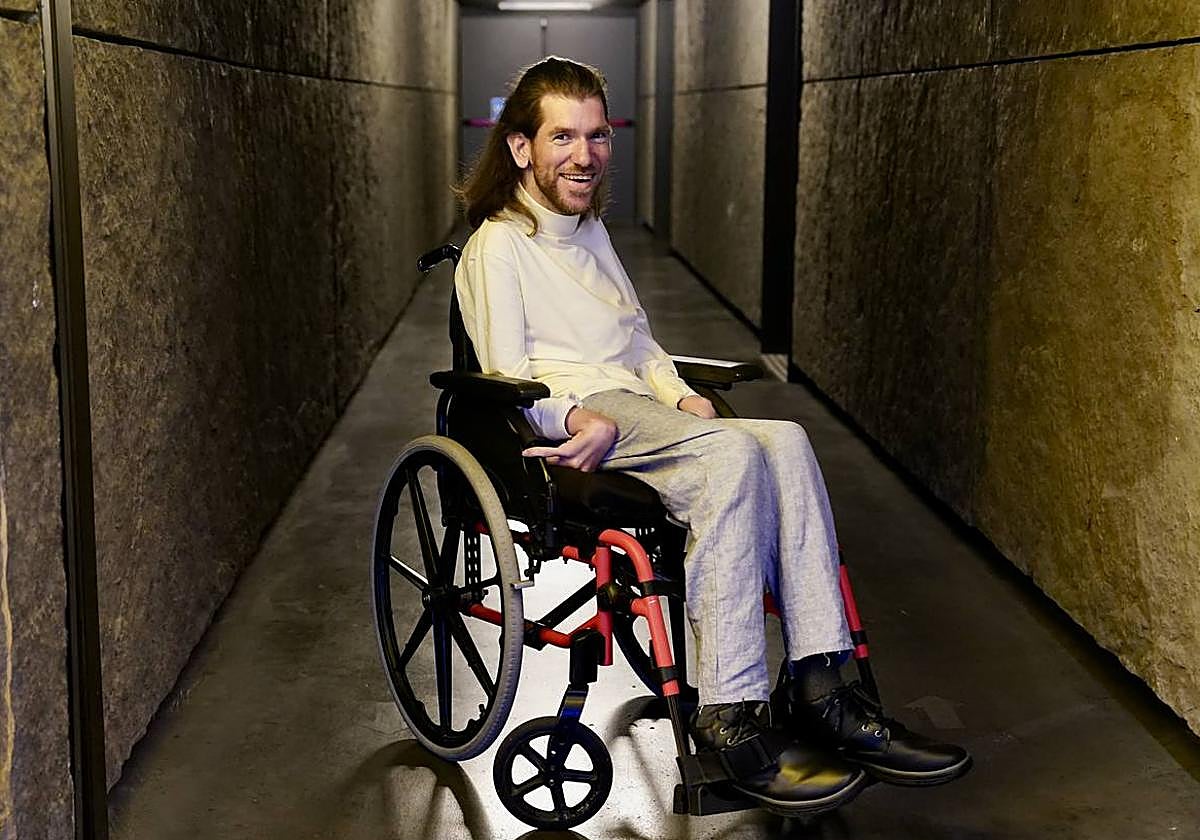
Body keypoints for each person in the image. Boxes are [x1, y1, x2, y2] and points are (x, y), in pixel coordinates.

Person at [454, 56, 970, 817]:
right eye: (563, 136)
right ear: (521, 147)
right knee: (731, 454)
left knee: (786, 439)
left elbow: (638, 343)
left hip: (639, 405)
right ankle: (729, 712)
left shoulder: (590, 231)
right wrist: (573, 417)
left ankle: (822, 686)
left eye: (597, 135)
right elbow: (504, 374)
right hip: (580, 415)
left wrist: (681, 394)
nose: (585, 155)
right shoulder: (499, 245)